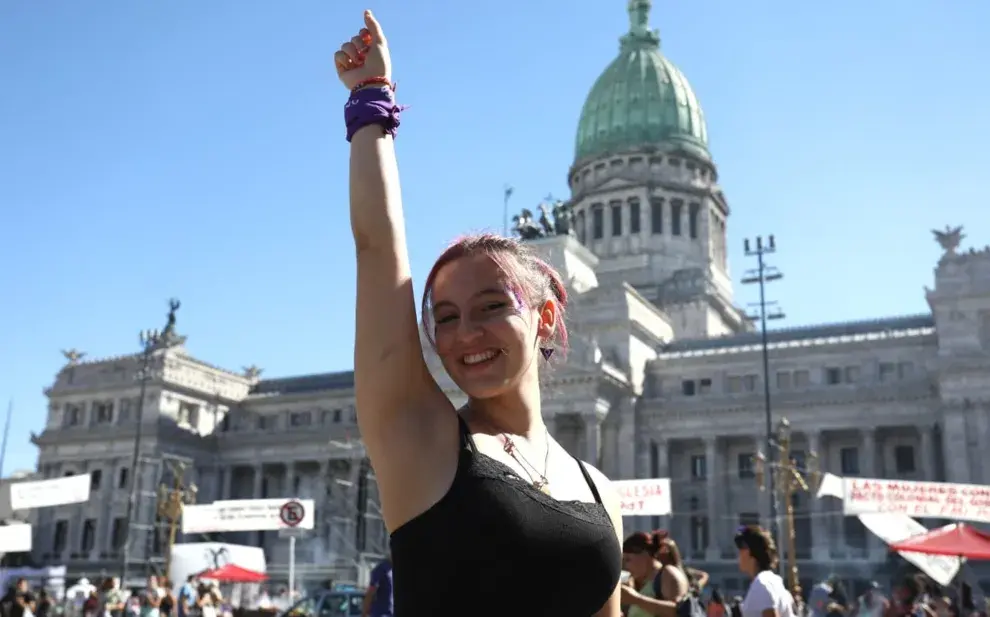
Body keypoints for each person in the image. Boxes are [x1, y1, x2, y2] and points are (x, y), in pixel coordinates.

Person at [333, 9, 623, 617]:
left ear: (544, 318)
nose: (466, 333)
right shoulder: (425, 442)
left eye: (492, 306)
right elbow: (377, 252)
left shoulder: (599, 490)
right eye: (444, 316)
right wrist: (371, 104)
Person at [619, 531, 689, 617]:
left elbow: (679, 611)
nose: (624, 566)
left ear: (645, 554)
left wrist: (635, 599)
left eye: (628, 559)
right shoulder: (637, 582)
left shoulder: (668, 574)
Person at [734, 525, 795, 617]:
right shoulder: (773, 580)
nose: (738, 555)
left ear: (747, 551)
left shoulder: (762, 583)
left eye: (740, 550)